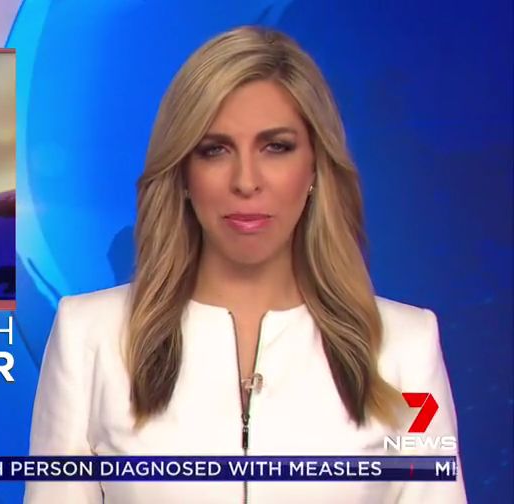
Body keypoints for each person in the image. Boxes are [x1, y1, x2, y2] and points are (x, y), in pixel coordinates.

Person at [24, 25, 467, 503]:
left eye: (276, 147)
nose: (246, 181)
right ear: (183, 172)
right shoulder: (89, 337)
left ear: (315, 166)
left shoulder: (403, 348)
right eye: (214, 150)